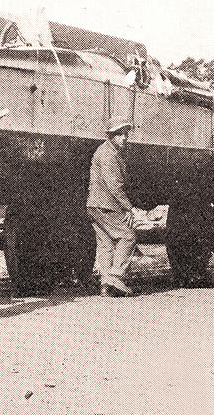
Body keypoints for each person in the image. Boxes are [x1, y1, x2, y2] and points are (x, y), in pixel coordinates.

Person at [86, 116, 137, 297]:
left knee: (106, 244)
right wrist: (128, 207)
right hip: (105, 205)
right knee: (128, 236)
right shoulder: (109, 154)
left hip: (95, 205)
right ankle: (115, 276)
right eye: (119, 134)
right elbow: (114, 184)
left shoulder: (105, 151)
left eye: (125, 134)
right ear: (110, 136)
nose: (123, 138)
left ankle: (105, 287)